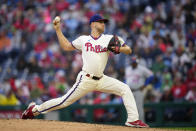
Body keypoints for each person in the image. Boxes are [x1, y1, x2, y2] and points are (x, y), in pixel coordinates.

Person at [21, 14, 149, 128]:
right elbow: (66, 46)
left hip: (101, 79)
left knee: (125, 89)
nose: (103, 24)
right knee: (64, 101)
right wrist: (58, 30)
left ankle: (133, 120)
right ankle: (35, 110)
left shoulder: (110, 38)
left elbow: (129, 50)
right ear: (93, 24)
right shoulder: (83, 39)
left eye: (104, 22)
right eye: (100, 22)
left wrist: (119, 49)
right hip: (86, 79)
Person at [125, 56, 154, 122]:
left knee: (139, 108)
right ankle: (130, 124)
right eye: (133, 62)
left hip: (139, 90)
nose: (134, 63)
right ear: (130, 63)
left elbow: (151, 75)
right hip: (129, 91)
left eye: (135, 62)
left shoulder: (142, 69)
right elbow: (126, 80)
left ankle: (141, 124)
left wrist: (145, 85)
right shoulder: (128, 69)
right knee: (129, 108)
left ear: (137, 62)